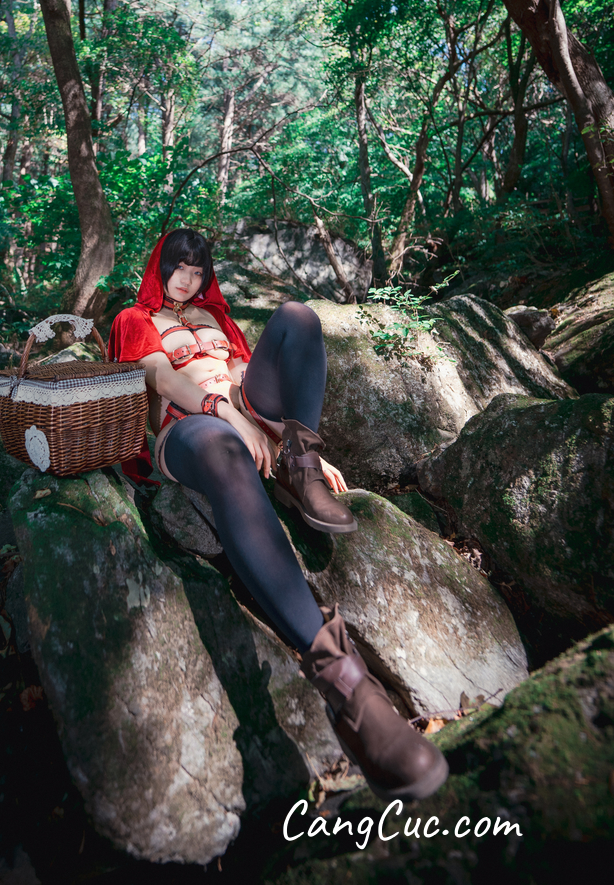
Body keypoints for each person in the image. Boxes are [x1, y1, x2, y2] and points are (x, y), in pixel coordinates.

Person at [109, 228, 448, 803]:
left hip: (245, 414)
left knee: (297, 317)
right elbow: (162, 379)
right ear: (159, 268)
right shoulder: (133, 317)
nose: (187, 280)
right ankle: (349, 688)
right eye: (177, 268)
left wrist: (291, 441)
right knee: (226, 450)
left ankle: (302, 470)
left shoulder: (220, 318)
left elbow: (248, 379)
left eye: (197, 270)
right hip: (190, 430)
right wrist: (229, 417)